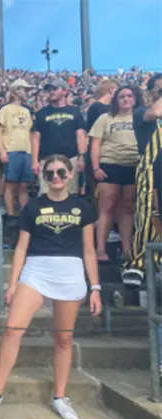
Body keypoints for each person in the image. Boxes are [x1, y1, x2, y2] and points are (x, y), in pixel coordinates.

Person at [0, 155, 102, 419]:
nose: (55, 177)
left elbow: (89, 250)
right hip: (37, 269)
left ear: (70, 174)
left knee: (64, 339)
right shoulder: (32, 207)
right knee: (13, 327)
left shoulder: (83, 207)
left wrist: (96, 287)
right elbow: (21, 247)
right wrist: (12, 283)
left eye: (61, 172)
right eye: (50, 173)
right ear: (43, 177)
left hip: (70, 271)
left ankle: (60, 396)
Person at [89, 86, 140, 261]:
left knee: (127, 209)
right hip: (109, 165)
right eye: (122, 96)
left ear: (135, 99)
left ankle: (127, 250)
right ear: (115, 100)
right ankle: (101, 250)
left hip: (133, 166)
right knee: (107, 208)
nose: (126, 99)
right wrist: (96, 167)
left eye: (129, 96)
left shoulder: (140, 117)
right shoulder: (105, 118)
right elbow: (95, 144)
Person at [122, 73, 162, 286]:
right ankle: (138, 263)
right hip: (150, 170)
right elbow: (156, 112)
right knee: (146, 216)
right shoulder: (140, 113)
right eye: (159, 90)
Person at [31, 79, 88, 196]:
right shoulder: (42, 113)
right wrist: (34, 161)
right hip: (46, 159)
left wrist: (81, 156)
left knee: (70, 194)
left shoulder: (75, 112)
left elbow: (81, 135)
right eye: (49, 90)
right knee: (47, 194)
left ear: (65, 91)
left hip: (70, 159)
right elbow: (35, 138)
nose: (51, 92)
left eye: (55, 89)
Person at [0, 80, 34, 218]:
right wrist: (1, 150)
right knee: (11, 183)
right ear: (16, 90)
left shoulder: (26, 110)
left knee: (23, 185)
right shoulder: (5, 109)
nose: (27, 93)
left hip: (26, 150)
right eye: (25, 89)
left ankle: (24, 215)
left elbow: (30, 132)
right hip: (11, 149)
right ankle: (11, 214)